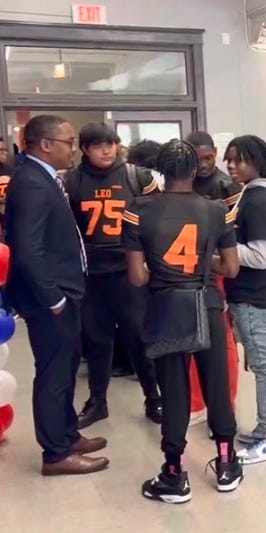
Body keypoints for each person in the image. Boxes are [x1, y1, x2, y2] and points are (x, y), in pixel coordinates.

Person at [122, 139, 242, 502]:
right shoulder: (217, 211)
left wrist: (164, 270)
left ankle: (174, 474)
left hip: (166, 307)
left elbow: (137, 277)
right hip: (207, 303)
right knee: (216, 385)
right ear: (194, 170)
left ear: (159, 171)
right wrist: (204, 266)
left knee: (174, 390)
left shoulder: (138, 210)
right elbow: (232, 267)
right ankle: (225, 462)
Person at [6, 115, 109, 476]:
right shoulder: (32, 183)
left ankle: (67, 432)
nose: (74, 150)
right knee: (53, 374)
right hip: (50, 299)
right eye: (68, 142)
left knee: (65, 368)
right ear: (46, 144)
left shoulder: (45, 179)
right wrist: (54, 298)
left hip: (64, 293)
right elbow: (28, 249)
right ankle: (56, 453)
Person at [63, 122, 162, 429]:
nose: (106, 150)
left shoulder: (138, 176)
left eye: (111, 143)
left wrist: (152, 263)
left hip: (129, 271)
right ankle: (97, 401)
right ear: (85, 149)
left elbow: (159, 219)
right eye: (97, 145)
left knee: (138, 336)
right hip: (91, 273)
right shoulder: (72, 180)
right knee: (96, 339)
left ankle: (153, 397)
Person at [222, 135, 266, 464]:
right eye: (230, 159)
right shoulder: (256, 192)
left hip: (256, 293)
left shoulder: (260, 199)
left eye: (239, 159)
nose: (231, 166)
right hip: (264, 290)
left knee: (263, 363)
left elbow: (260, 255)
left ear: (258, 160)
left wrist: (216, 251)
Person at [185, 130, 242, 423]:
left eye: (209, 157)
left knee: (223, 343)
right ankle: (197, 402)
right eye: (199, 159)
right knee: (191, 340)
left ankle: (226, 403)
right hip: (185, 271)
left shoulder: (227, 187)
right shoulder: (181, 184)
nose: (205, 164)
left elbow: (235, 237)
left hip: (219, 272)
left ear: (215, 152)